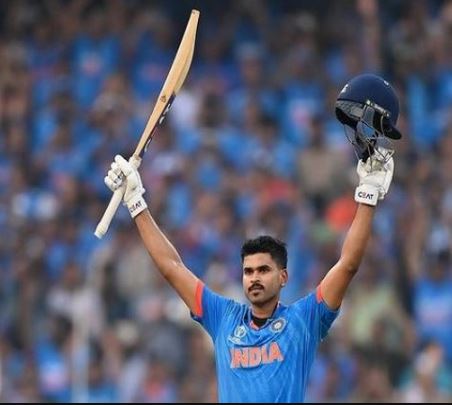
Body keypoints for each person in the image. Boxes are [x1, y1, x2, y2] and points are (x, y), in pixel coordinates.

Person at [103, 74, 401, 403]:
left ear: (283, 276)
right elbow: (171, 267)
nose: (254, 278)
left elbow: (347, 265)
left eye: (263, 270)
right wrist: (136, 202)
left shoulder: (303, 321)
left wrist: (367, 195)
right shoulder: (223, 318)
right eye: (248, 271)